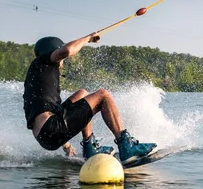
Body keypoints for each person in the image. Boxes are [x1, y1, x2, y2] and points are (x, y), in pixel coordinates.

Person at [23, 34, 156, 165]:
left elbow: (45, 118)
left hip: (45, 136)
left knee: (82, 94)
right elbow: (67, 51)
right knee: (104, 95)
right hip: (51, 127)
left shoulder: (38, 75)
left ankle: (90, 148)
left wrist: (67, 146)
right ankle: (127, 147)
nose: (63, 62)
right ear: (53, 52)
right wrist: (88, 38)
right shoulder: (44, 61)